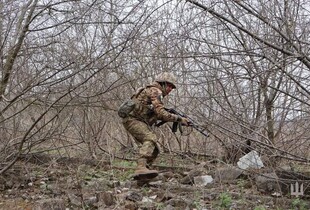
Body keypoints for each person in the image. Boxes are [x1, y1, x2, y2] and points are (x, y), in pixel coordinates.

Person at [121, 72, 189, 179]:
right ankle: (141, 167)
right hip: (132, 120)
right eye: (169, 86)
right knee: (150, 138)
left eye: (172, 87)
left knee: (155, 150)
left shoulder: (152, 91)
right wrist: (179, 119)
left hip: (134, 120)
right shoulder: (155, 91)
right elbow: (162, 113)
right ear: (162, 84)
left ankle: (143, 175)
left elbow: (158, 114)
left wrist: (178, 119)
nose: (170, 89)